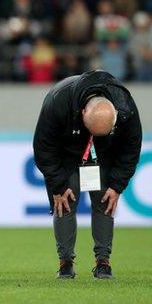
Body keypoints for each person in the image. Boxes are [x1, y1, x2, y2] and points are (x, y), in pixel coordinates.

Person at [33, 69, 142, 279]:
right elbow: (43, 148)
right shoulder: (58, 101)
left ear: (116, 115)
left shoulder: (125, 107)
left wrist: (117, 184)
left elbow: (131, 147)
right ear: (83, 113)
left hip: (104, 157)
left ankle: (103, 262)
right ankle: (65, 262)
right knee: (63, 202)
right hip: (67, 157)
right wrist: (57, 185)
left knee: (106, 202)